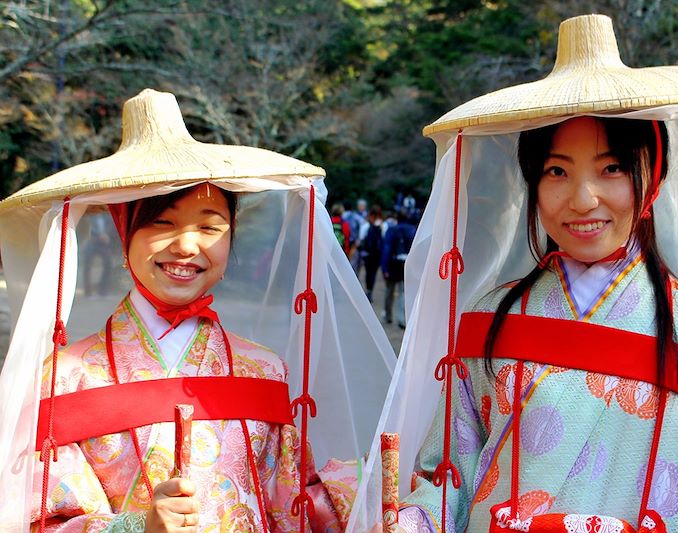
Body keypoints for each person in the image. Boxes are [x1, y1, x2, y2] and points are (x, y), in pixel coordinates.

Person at [348, 14, 678, 533]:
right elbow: (451, 479)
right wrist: (408, 521)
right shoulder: (487, 318)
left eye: (611, 169)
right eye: (557, 171)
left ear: (650, 179)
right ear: (533, 186)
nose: (583, 199)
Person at [0, 89, 396, 532]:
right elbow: (39, 518)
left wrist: (373, 488)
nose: (187, 246)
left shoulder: (263, 371)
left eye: (210, 226)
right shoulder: (66, 378)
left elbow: (291, 508)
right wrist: (137, 526)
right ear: (123, 234)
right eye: (161, 222)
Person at [381, 208, 416, 329]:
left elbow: (386, 249)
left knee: (389, 290)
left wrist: (384, 268)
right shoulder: (413, 230)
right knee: (403, 291)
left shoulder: (392, 230)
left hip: (392, 263)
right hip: (406, 264)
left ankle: (388, 315)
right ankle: (402, 319)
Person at [359, 205, 384, 303]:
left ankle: (368, 290)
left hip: (368, 254)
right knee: (373, 273)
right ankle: (370, 291)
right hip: (377, 254)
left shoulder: (365, 226)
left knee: (369, 273)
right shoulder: (383, 226)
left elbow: (361, 238)